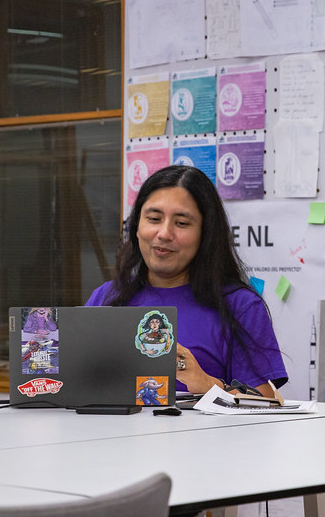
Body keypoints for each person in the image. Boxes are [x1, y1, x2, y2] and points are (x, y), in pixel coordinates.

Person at [86, 164, 287, 396]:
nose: (164, 234)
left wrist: (205, 384)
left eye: (181, 223)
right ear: (136, 227)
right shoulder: (106, 297)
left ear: (206, 233)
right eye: (153, 218)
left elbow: (265, 404)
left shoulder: (240, 305)